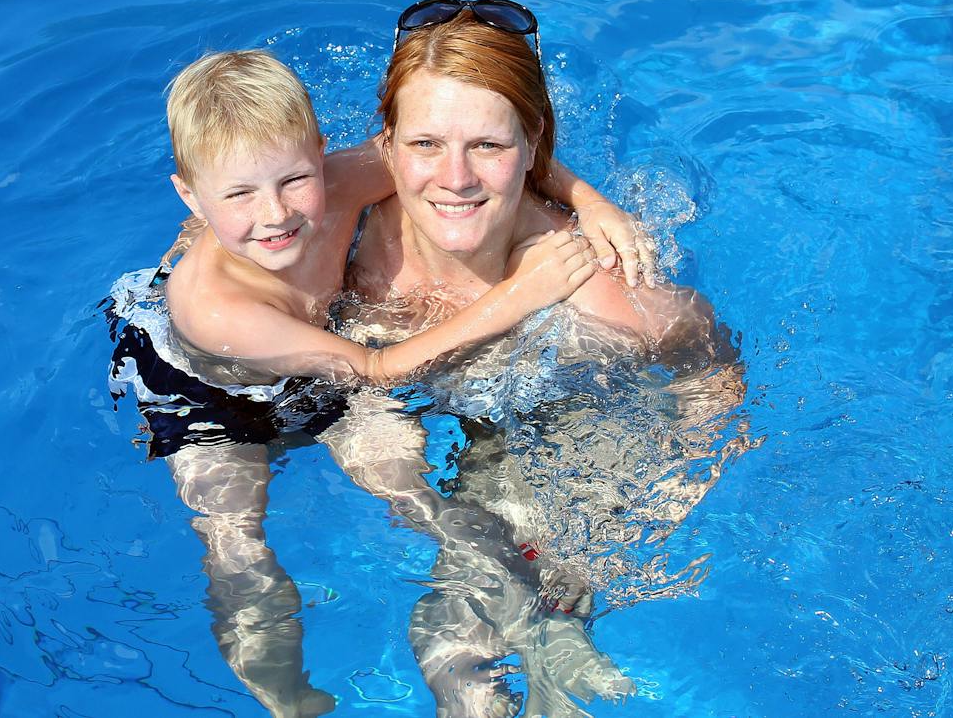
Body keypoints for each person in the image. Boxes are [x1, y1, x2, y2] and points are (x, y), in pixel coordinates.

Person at [108, 48, 647, 718]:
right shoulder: (215, 305)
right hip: (210, 392)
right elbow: (375, 368)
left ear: (322, 156)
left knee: (431, 503)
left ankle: (535, 642)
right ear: (189, 195)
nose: (275, 215)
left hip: (321, 366)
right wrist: (517, 297)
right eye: (238, 195)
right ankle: (287, 699)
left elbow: (474, 151)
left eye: (293, 180)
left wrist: (590, 202)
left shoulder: (338, 186)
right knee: (237, 540)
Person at [335, 0, 749, 717]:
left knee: (531, 590)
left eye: (488, 148)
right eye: (426, 145)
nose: (454, 179)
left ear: (532, 148)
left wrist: (672, 490)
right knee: (453, 656)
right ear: (387, 144)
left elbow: (711, 366)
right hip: (449, 415)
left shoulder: (603, 298)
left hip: (570, 414)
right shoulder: (342, 236)